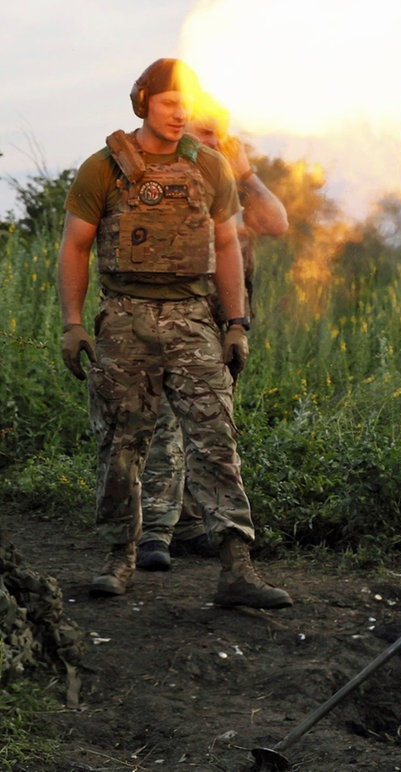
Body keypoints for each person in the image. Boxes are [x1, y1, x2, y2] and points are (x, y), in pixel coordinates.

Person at [57, 58, 292, 609]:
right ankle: (120, 558)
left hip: (193, 321)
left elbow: (230, 245)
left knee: (216, 443)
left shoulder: (211, 168)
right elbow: (75, 246)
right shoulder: (103, 169)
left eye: (186, 103)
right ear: (143, 102)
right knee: (121, 445)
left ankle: (237, 568)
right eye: (168, 103)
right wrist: (71, 323)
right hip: (124, 319)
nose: (179, 113)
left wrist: (236, 324)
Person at [136, 92, 288, 571]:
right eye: (206, 132)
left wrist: (245, 172)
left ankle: (185, 526)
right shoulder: (169, 178)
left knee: (207, 428)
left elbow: (277, 222)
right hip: (179, 320)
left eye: (221, 134)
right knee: (166, 427)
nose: (216, 141)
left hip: (228, 324)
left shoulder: (227, 181)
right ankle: (153, 532)